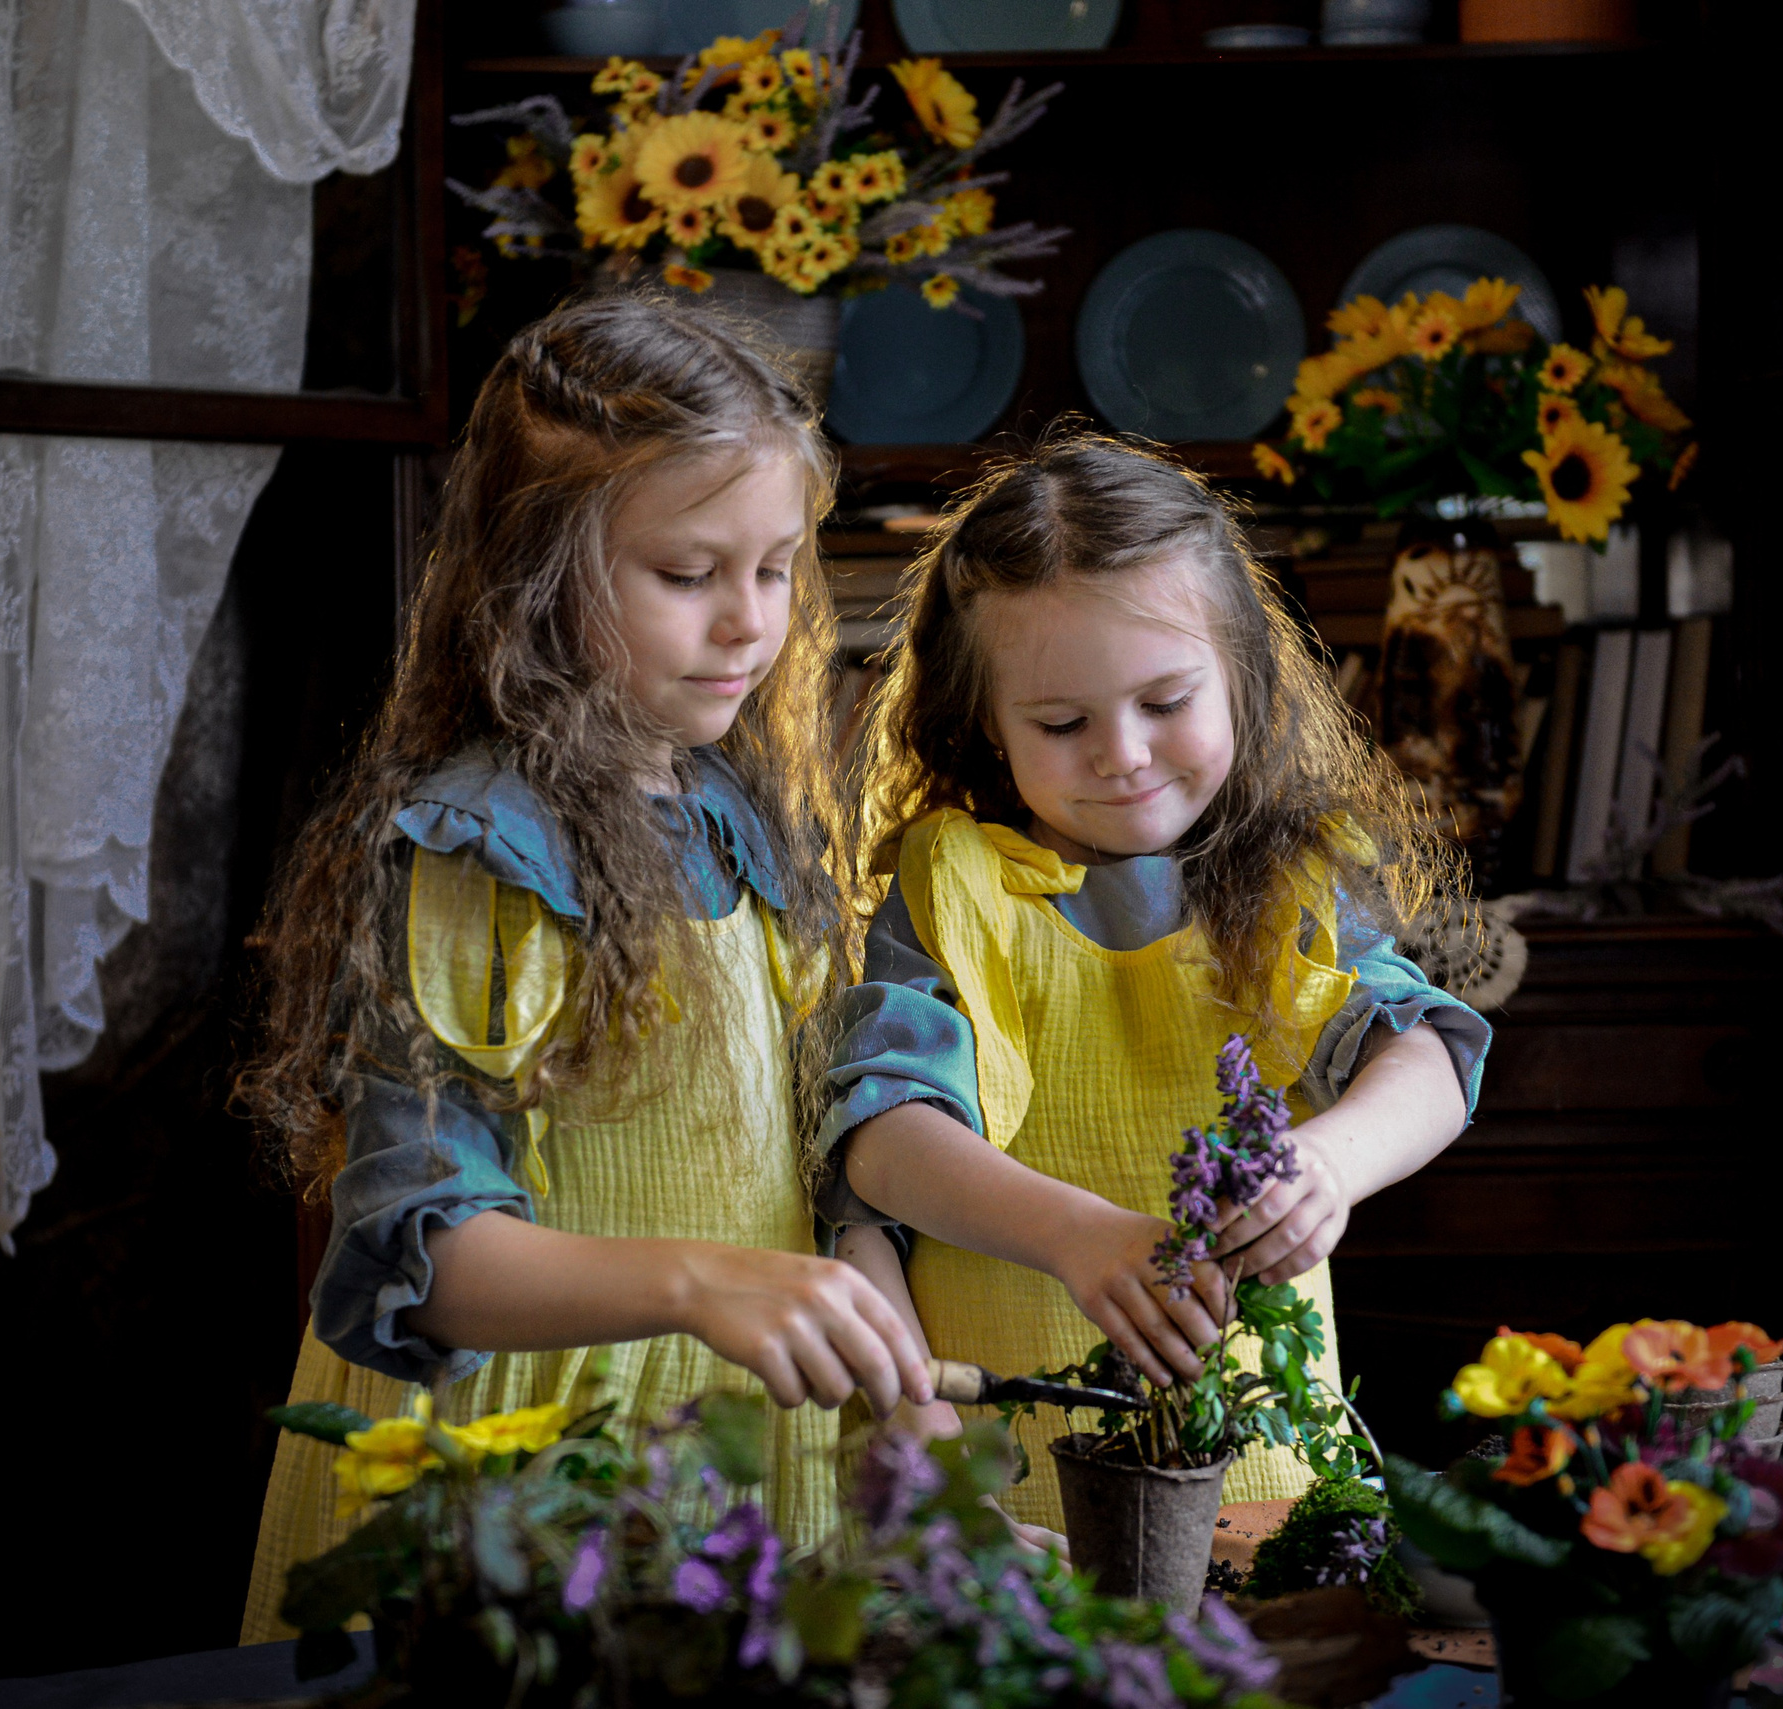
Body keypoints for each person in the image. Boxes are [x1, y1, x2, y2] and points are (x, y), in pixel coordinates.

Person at [238, 291, 931, 1641]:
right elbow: (422, 1260)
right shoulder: (470, 851)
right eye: (689, 574)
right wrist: (699, 1281)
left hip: (738, 1462)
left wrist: (877, 1336)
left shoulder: (753, 824)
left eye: (778, 567)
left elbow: (814, 1157)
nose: (752, 623)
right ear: (535, 574)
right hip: (529, 1485)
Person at [817, 433, 1492, 1528]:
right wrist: (1073, 1233)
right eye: (1061, 722)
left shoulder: (1287, 881)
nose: (1122, 753)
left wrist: (1327, 1161)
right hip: (1013, 1500)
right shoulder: (954, 887)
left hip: (1268, 1501)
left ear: (1243, 677)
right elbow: (882, 1144)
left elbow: (1427, 1058)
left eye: (1165, 700)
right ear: (982, 724)